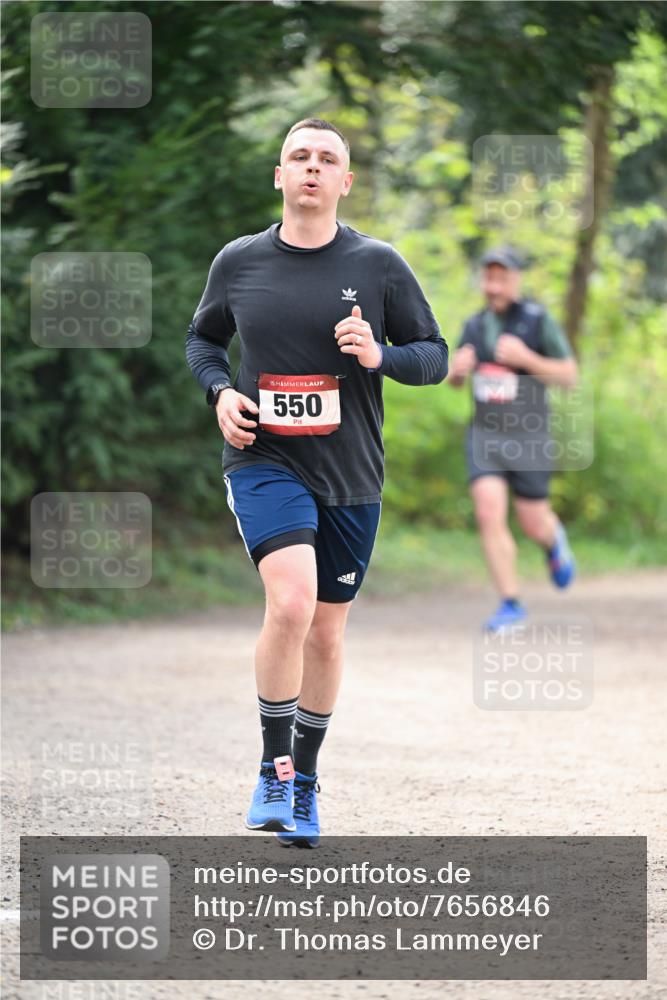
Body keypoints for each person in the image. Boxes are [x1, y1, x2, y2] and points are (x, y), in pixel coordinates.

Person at [186, 118, 448, 847]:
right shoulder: (238, 262)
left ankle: (304, 782)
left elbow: (435, 355)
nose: (310, 167)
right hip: (264, 460)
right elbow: (202, 339)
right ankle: (270, 770)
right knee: (291, 602)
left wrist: (377, 356)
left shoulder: (378, 265)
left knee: (327, 634)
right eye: (297, 156)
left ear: (343, 181)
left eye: (325, 158)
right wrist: (219, 394)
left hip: (351, 474)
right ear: (278, 176)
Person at [448, 247, 578, 632]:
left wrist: (527, 359)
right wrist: (457, 371)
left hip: (530, 436)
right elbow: (455, 380)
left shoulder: (538, 321)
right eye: (488, 277)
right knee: (489, 511)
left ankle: (553, 540)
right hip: (485, 434)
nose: (494, 285)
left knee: (533, 522)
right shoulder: (474, 325)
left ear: (517, 279)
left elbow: (569, 376)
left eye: (502, 277)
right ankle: (510, 603)